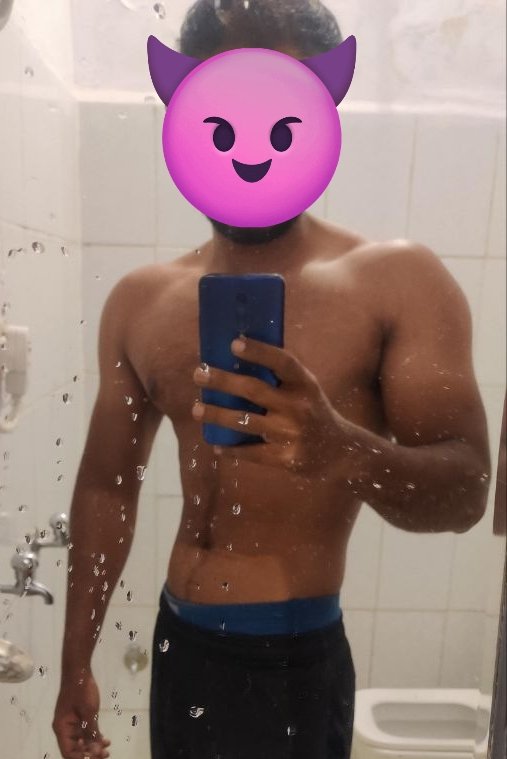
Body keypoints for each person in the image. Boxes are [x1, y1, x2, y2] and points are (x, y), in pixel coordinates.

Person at [52, 2, 492, 758]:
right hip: (178, 645)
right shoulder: (140, 300)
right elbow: (106, 487)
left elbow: (465, 490)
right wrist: (74, 663)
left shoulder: (395, 281)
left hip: (293, 661)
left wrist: (339, 449)